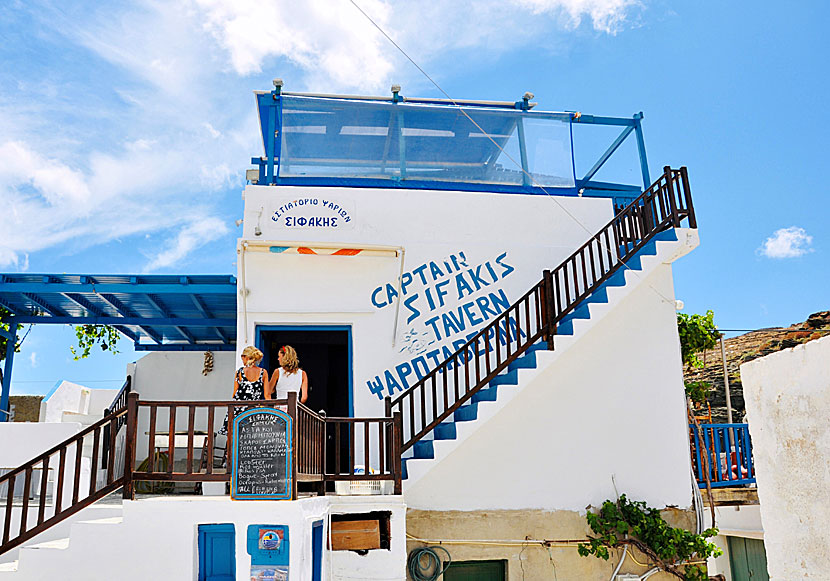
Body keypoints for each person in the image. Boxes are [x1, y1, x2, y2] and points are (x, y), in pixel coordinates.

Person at [218, 346, 269, 435]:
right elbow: (267, 395)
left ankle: (230, 448)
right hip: (253, 409)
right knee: (251, 437)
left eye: (242, 356)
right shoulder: (263, 372)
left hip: (238, 408)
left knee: (233, 434)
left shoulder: (239, 372)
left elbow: (234, 393)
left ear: (246, 357)